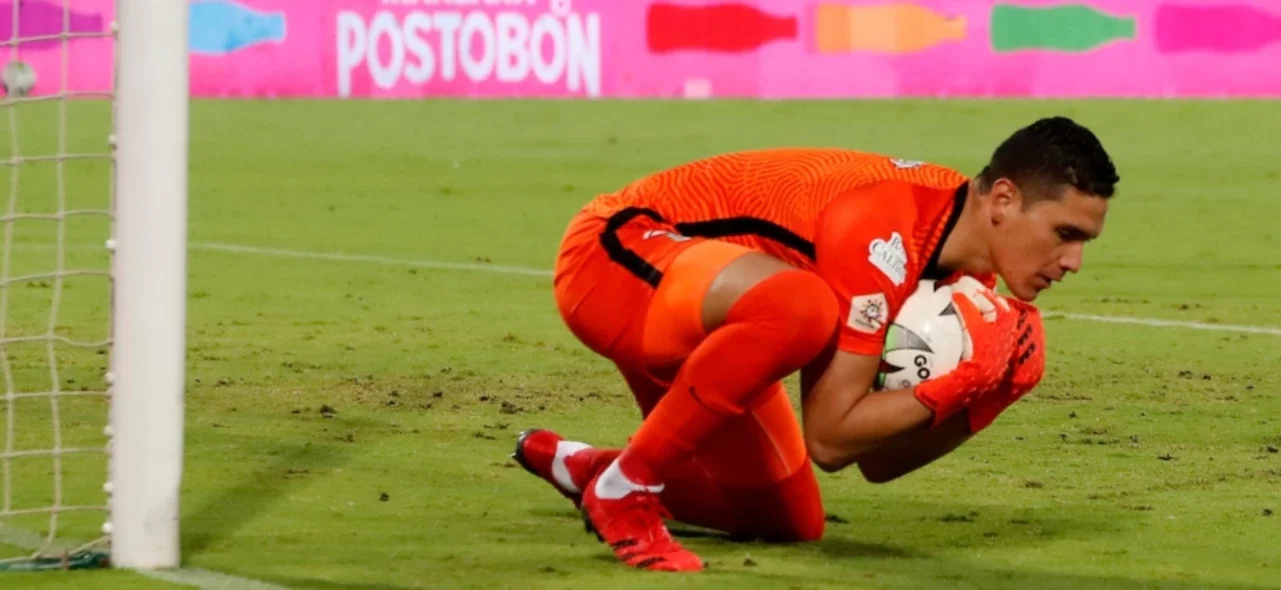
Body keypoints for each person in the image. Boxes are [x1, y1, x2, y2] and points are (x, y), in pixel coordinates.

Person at [512, 116, 1119, 572]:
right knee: (804, 307)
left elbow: (876, 458)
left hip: (717, 322)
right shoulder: (883, 227)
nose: (1074, 261)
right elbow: (829, 438)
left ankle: (597, 470)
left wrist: (988, 396)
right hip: (617, 256)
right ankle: (629, 489)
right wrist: (960, 381)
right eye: (1065, 233)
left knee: (788, 522)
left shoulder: (964, 277)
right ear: (1004, 200)